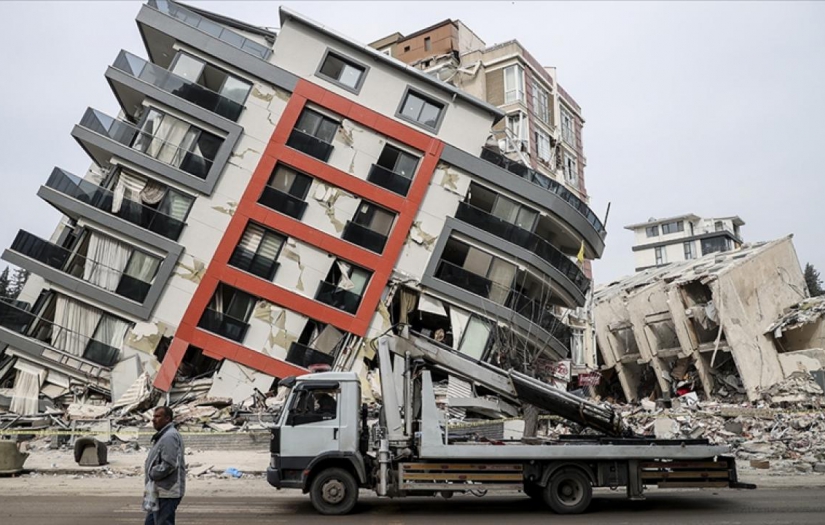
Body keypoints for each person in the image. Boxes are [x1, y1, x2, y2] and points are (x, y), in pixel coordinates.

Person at [144, 406, 186, 525]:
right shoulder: (163, 435)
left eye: (157, 416)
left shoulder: (169, 437)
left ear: (167, 418)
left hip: (167, 491)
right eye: (153, 416)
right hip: (158, 491)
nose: (153, 419)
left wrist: (152, 473)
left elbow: (169, 464)